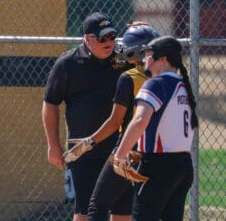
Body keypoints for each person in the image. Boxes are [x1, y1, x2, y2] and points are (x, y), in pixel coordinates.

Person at [42, 12, 133, 221]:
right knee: (85, 211)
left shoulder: (122, 57)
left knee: (122, 209)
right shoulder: (68, 64)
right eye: (102, 38)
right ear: (87, 38)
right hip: (84, 148)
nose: (109, 42)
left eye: (112, 36)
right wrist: (53, 145)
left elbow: (154, 55)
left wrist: (142, 32)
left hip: (119, 145)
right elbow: (50, 104)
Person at [64, 25, 160, 221]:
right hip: (157, 150)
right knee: (133, 211)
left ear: (137, 51)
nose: (122, 49)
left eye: (128, 46)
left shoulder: (129, 78)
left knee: (97, 205)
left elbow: (114, 122)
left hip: (129, 149)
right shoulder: (167, 79)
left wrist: (88, 142)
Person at [114, 35, 199, 221]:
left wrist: (120, 155)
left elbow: (139, 121)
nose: (145, 59)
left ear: (163, 59)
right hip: (183, 165)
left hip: (158, 165)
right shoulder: (183, 85)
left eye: (149, 55)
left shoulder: (156, 83)